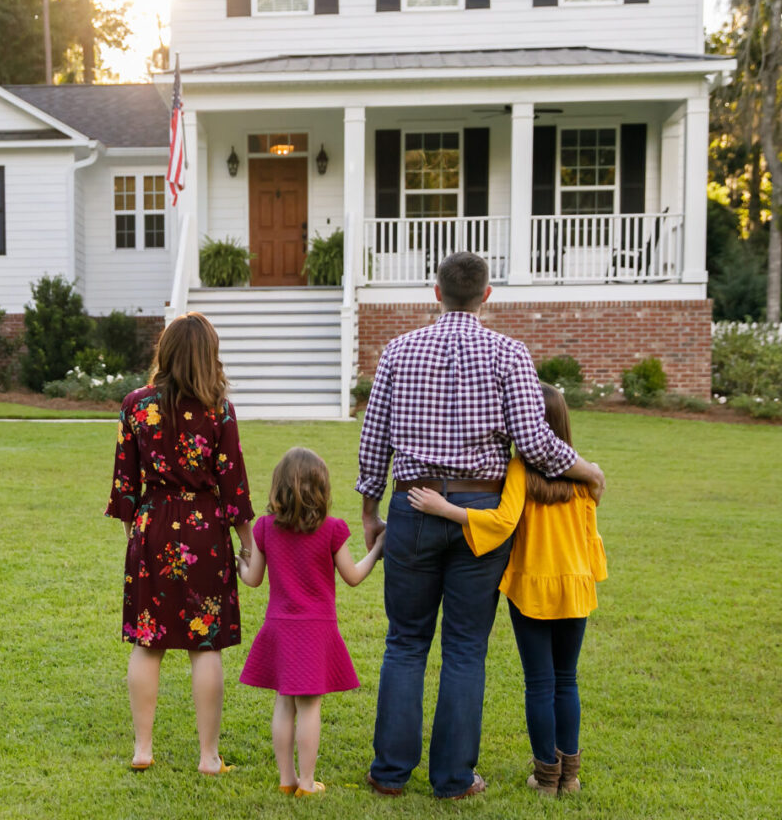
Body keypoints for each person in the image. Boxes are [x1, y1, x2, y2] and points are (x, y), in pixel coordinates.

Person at [356, 251, 607, 800]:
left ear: (435, 291)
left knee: (404, 643)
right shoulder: (509, 354)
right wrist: (587, 469)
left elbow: (373, 440)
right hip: (483, 516)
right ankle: (452, 780)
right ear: (487, 295)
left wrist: (371, 512)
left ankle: (390, 773)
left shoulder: (398, 351)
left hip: (413, 504)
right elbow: (536, 442)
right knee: (465, 648)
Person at [409, 383, 607, 797]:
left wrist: (445, 509)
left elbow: (501, 523)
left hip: (531, 589)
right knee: (566, 680)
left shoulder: (518, 469)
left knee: (539, 682)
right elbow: (591, 536)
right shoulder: (585, 476)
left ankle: (547, 777)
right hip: (575, 588)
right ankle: (569, 778)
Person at [105, 311, 253, 776]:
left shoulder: (135, 405)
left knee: (148, 642)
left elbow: (124, 486)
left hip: (153, 526)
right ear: (209, 356)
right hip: (206, 529)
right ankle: (208, 756)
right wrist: (248, 545)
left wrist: (137, 536)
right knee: (204, 644)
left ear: (164, 352)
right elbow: (235, 486)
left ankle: (143, 748)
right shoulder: (219, 409)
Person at [237, 447, 385, 798]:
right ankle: (306, 782)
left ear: (278, 487)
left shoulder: (265, 528)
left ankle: (287, 779)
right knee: (310, 708)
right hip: (316, 630)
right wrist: (378, 549)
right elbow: (352, 576)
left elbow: (253, 578)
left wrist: (239, 561)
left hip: (279, 627)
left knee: (283, 703)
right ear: (321, 489)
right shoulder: (331, 529)